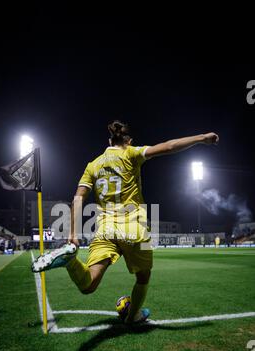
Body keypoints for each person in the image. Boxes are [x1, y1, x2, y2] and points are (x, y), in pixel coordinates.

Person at [32, 121, 219, 324]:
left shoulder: (93, 165)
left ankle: (71, 261)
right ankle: (133, 317)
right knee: (144, 276)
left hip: (105, 229)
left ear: (109, 141)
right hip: (135, 227)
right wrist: (201, 138)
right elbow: (169, 146)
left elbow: (78, 198)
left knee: (88, 285)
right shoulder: (131, 153)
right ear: (128, 141)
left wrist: (72, 234)